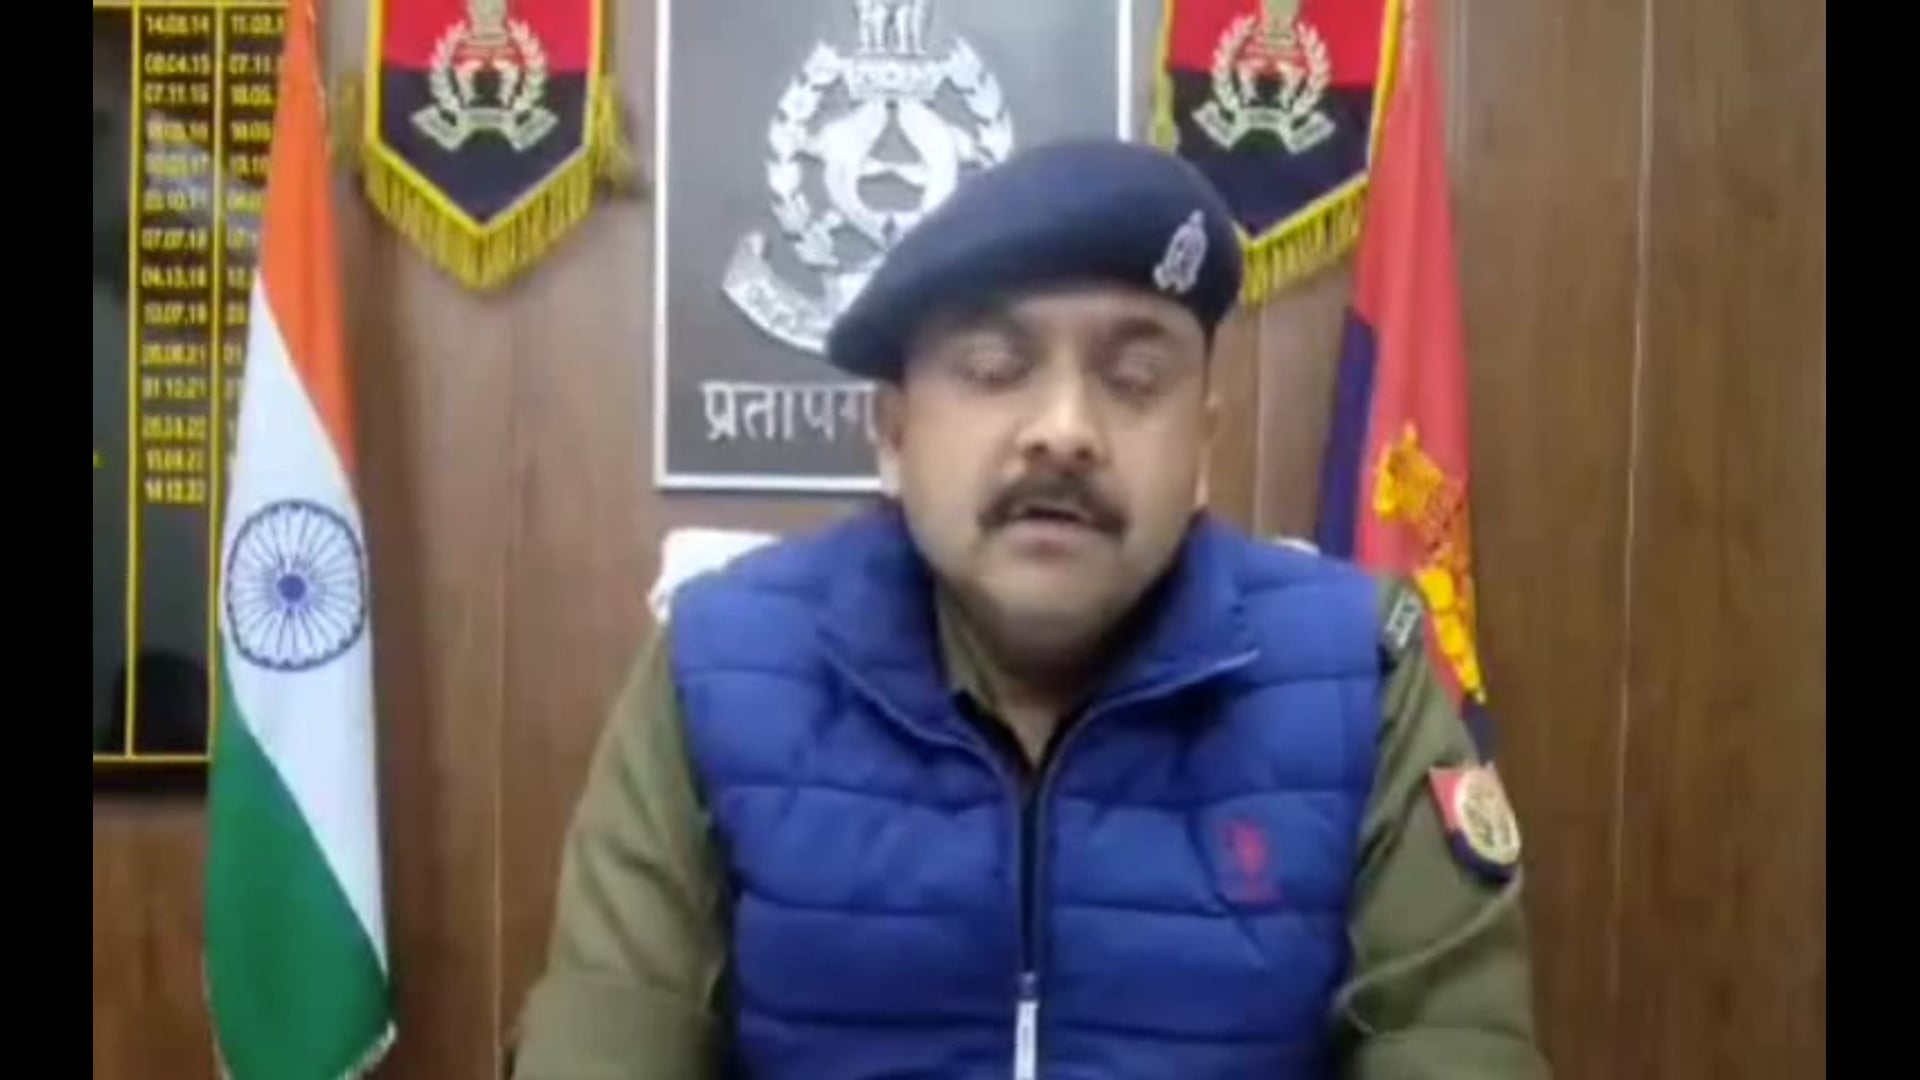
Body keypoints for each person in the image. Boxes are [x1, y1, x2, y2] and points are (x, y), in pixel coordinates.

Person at [509, 137, 1549, 1079]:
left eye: (1133, 377)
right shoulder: (718, 670)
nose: (1065, 429)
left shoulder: (1358, 676)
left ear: (1202, 450)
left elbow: (1454, 1049)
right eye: (994, 368)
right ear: (893, 435)